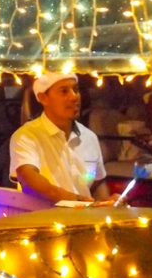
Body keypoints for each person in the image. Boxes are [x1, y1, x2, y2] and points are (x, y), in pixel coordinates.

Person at [10, 73, 108, 203]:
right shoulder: (27, 136)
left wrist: (109, 204)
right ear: (43, 98)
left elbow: (97, 184)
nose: (74, 97)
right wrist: (77, 201)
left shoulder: (89, 137)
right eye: (64, 91)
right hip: (44, 220)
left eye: (76, 90)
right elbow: (29, 181)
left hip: (84, 219)